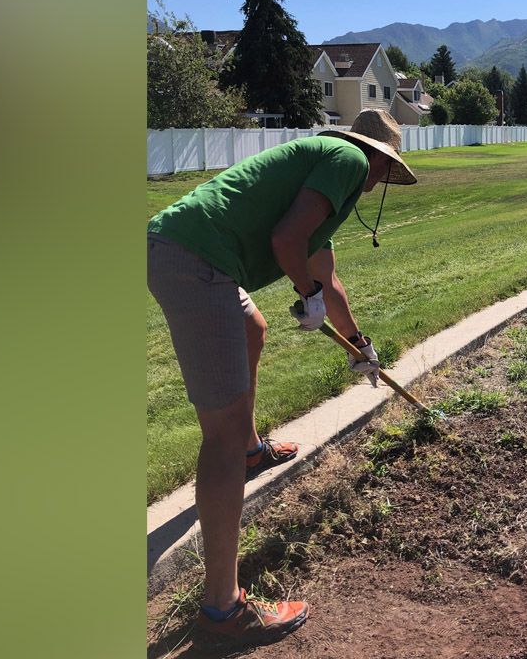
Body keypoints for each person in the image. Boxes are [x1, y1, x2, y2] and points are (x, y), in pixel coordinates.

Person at [147, 108, 418, 650]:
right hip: (197, 262)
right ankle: (224, 610)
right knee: (217, 435)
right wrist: (309, 297)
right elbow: (286, 242)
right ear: (378, 159)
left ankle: (252, 450)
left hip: (192, 251)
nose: (378, 183)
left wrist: (360, 347)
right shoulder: (345, 159)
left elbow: (324, 272)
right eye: (384, 172)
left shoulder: (326, 177)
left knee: (253, 327)